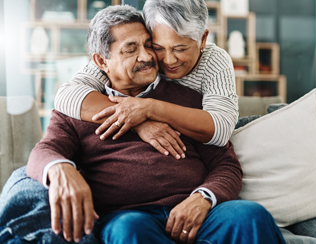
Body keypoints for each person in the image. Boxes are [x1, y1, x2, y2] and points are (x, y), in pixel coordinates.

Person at [2, 5, 286, 244]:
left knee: (250, 216)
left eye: (148, 45)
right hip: (130, 216)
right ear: (102, 61)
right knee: (130, 230)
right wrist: (61, 170)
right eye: (131, 49)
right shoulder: (79, 107)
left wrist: (203, 198)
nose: (148, 56)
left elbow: (226, 164)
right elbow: (43, 152)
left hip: (198, 214)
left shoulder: (186, 99)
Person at [55, 0, 238, 160]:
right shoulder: (131, 59)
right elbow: (66, 96)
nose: (168, 60)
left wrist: (149, 108)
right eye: (157, 47)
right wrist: (139, 121)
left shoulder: (214, 60)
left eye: (180, 49)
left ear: (203, 39)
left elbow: (221, 129)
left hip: (202, 139)